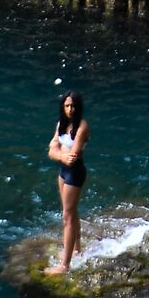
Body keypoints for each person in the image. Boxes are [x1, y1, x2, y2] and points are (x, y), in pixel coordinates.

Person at [46, 90, 88, 275]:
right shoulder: (61, 125)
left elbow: (73, 157)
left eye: (73, 106)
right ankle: (77, 249)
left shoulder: (82, 126)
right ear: (63, 107)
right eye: (67, 106)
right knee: (70, 212)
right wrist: (60, 155)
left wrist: (59, 155)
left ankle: (65, 265)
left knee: (67, 216)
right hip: (63, 172)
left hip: (75, 172)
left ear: (78, 108)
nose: (70, 109)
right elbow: (50, 150)